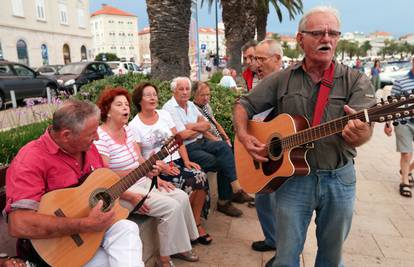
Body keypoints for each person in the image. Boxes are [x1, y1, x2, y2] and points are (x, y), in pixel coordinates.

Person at [233, 6, 375, 267]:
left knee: (331, 258)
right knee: (286, 257)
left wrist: (360, 133)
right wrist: (243, 135)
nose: (327, 39)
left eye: (333, 33)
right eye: (318, 32)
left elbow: (363, 132)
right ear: (300, 39)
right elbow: (243, 105)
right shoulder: (282, 79)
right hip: (292, 180)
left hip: (338, 179)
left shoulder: (356, 80)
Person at [5, 99, 144, 266]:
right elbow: (19, 224)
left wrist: (127, 193)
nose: (98, 137)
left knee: (128, 228)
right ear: (66, 135)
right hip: (58, 249)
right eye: (91, 133)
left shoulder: (88, 147)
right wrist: (85, 225)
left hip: (92, 234)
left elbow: (101, 186)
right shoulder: (30, 160)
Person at [94, 87, 199, 267]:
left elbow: (140, 160)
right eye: (119, 105)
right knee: (171, 207)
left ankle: (180, 245)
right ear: (107, 111)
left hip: (142, 180)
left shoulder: (128, 131)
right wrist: (137, 174)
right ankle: (163, 258)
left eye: (126, 104)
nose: (125, 108)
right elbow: (104, 175)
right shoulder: (100, 137)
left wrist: (153, 173)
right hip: (122, 189)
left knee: (181, 196)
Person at [128, 82, 212, 245]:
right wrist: (162, 167)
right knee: (190, 181)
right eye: (148, 95)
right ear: (139, 100)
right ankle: (186, 228)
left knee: (200, 175)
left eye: (155, 94)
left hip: (177, 162)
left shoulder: (164, 115)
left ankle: (195, 223)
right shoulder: (134, 126)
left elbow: (178, 139)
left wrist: (187, 161)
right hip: (157, 170)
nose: (153, 98)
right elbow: (139, 158)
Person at [163, 77, 254, 218]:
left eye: (187, 89)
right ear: (174, 91)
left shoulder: (191, 106)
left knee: (224, 148)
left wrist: (192, 127)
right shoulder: (169, 108)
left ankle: (234, 188)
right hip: (187, 149)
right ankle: (225, 200)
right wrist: (198, 128)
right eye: (181, 89)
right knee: (219, 161)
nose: (185, 92)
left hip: (202, 142)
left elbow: (207, 126)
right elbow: (182, 135)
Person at [241, 38, 285, 254]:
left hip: (284, 156)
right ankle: (272, 239)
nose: (254, 64)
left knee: (283, 207)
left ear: (277, 59)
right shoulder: (259, 82)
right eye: (252, 58)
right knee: (263, 199)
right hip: (262, 151)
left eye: (259, 59)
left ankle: (283, 253)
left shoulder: (289, 83)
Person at [384, 57, 414, 198]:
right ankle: (405, 182)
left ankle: (406, 170)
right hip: (404, 122)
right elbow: (391, 105)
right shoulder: (400, 82)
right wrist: (388, 124)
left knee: (408, 156)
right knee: (406, 153)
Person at [192, 81, 232, 147]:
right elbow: (203, 132)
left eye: (207, 95)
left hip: (217, 139)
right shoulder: (192, 109)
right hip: (206, 142)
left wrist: (226, 139)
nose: (206, 98)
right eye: (202, 95)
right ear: (194, 94)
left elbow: (215, 123)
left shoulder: (206, 106)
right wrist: (219, 141)